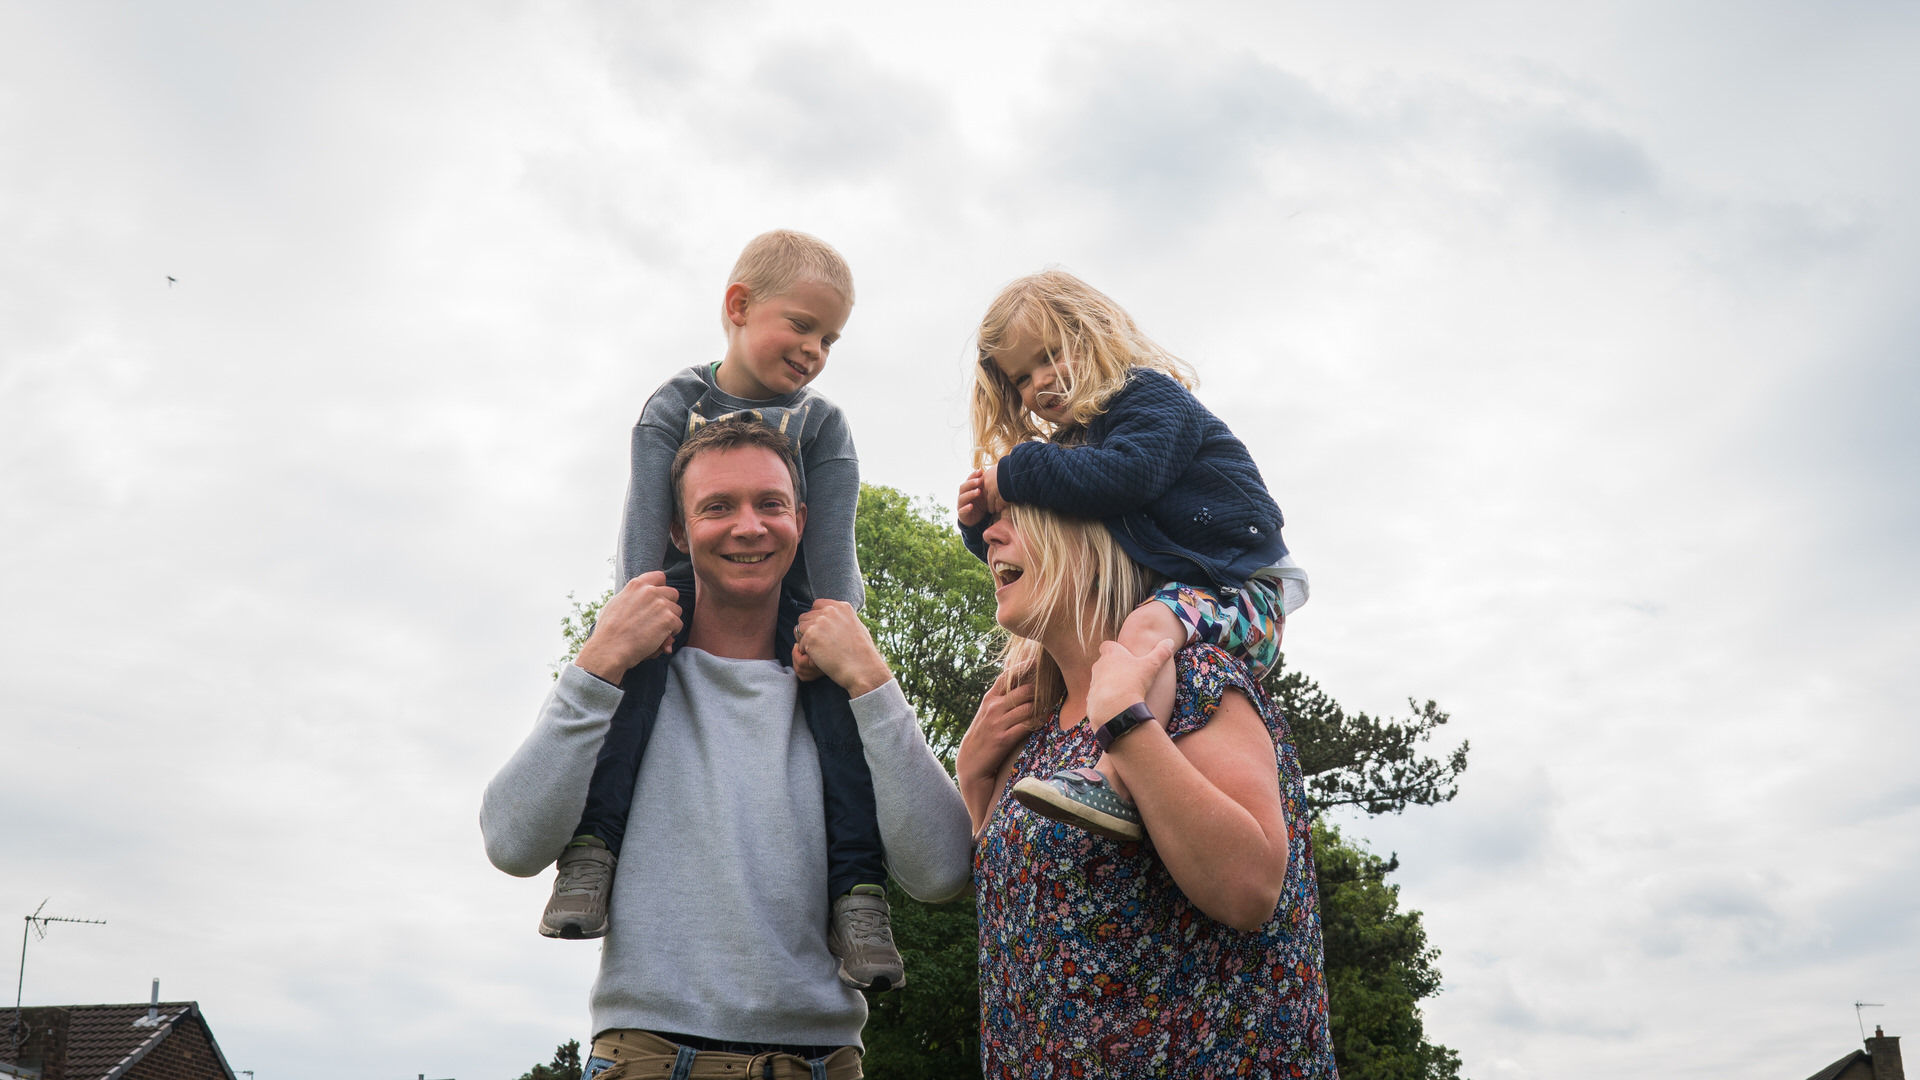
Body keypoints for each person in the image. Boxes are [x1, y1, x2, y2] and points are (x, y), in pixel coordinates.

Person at [482, 417, 973, 1077]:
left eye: (769, 504)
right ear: (679, 532)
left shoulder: (846, 690)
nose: (749, 526)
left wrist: (874, 681)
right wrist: (596, 660)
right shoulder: (619, 683)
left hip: (825, 1064)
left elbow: (941, 872)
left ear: (800, 519)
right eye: (718, 507)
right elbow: (512, 844)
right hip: (650, 1060)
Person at [539, 230, 907, 990]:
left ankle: (858, 894)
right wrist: (636, 620)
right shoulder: (675, 406)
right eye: (801, 326)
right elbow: (645, 529)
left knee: (842, 736)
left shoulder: (821, 426)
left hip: (796, 617)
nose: (815, 350)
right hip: (678, 604)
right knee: (628, 705)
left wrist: (833, 632)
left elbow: (835, 545)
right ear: (738, 308)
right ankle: (591, 849)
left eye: (830, 338)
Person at [958, 501, 1337, 1077]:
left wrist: (1126, 723)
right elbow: (1016, 912)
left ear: (1093, 544)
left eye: (1022, 516)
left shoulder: (1195, 678)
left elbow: (1250, 887)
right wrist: (974, 777)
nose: (989, 534)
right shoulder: (1036, 728)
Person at [958, 269, 1310, 842]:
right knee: (1105, 642)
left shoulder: (1148, 397)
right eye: (1022, 377)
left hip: (1239, 585)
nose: (1042, 383)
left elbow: (1127, 478)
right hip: (1187, 586)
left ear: (1094, 335)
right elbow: (1052, 546)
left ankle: (1112, 778)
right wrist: (980, 524)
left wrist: (1016, 470)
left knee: (1145, 628)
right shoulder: (1079, 451)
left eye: (1051, 356)